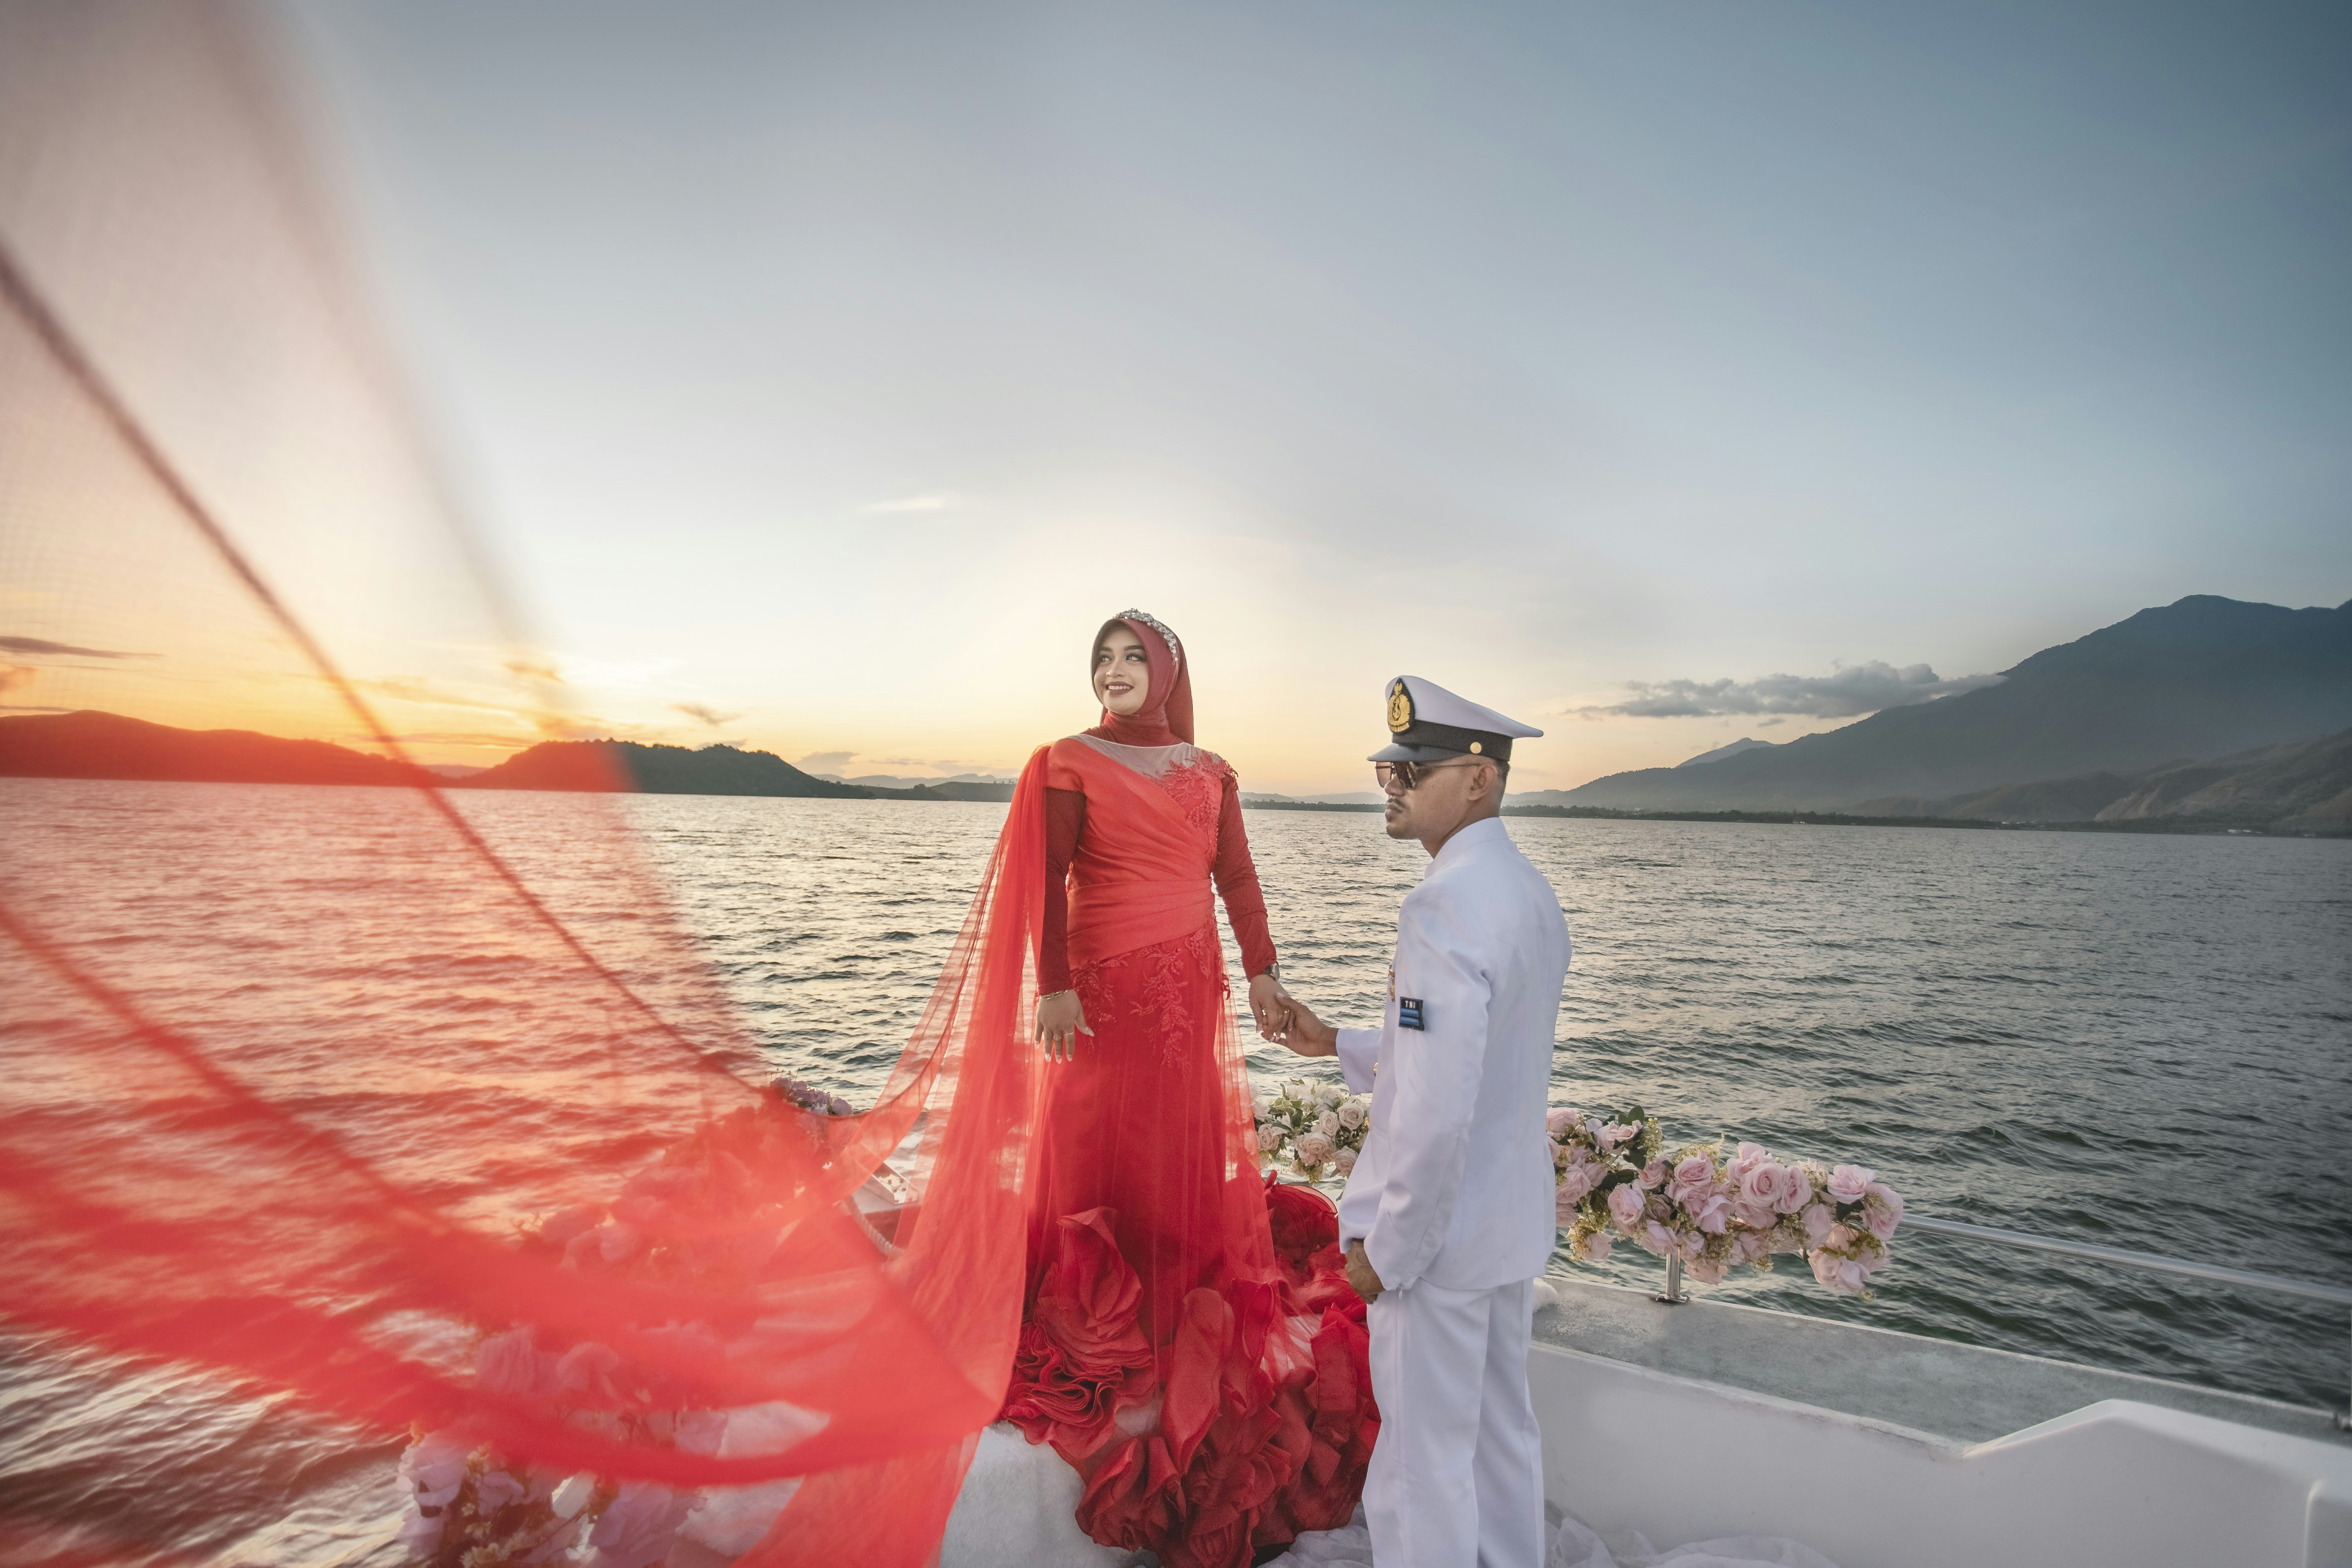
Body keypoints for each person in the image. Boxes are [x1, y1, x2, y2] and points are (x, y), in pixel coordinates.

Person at [997, 611, 1377, 1568]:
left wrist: (1261, 971)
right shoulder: (1068, 759)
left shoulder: (1212, 771)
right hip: (1100, 987)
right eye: (1104, 658)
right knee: (1091, 1139)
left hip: (1190, 982)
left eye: (1136, 658)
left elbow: (1236, 874)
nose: (1117, 671)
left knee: (1175, 1142)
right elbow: (1046, 875)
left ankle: (1163, 1300)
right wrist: (1051, 984)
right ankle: (1087, 1301)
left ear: (1168, 673)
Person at [1276, 675, 1571, 1568]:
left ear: (1479, 778)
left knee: (1420, 1463)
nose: (1394, 785)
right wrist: (1338, 1042)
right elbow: (1479, 1056)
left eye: (1414, 768)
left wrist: (1390, 1250)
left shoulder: (1440, 903)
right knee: (1501, 1439)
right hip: (1506, 1228)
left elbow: (1439, 1112)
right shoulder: (1528, 890)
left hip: (1437, 1245)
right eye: (1386, 769)